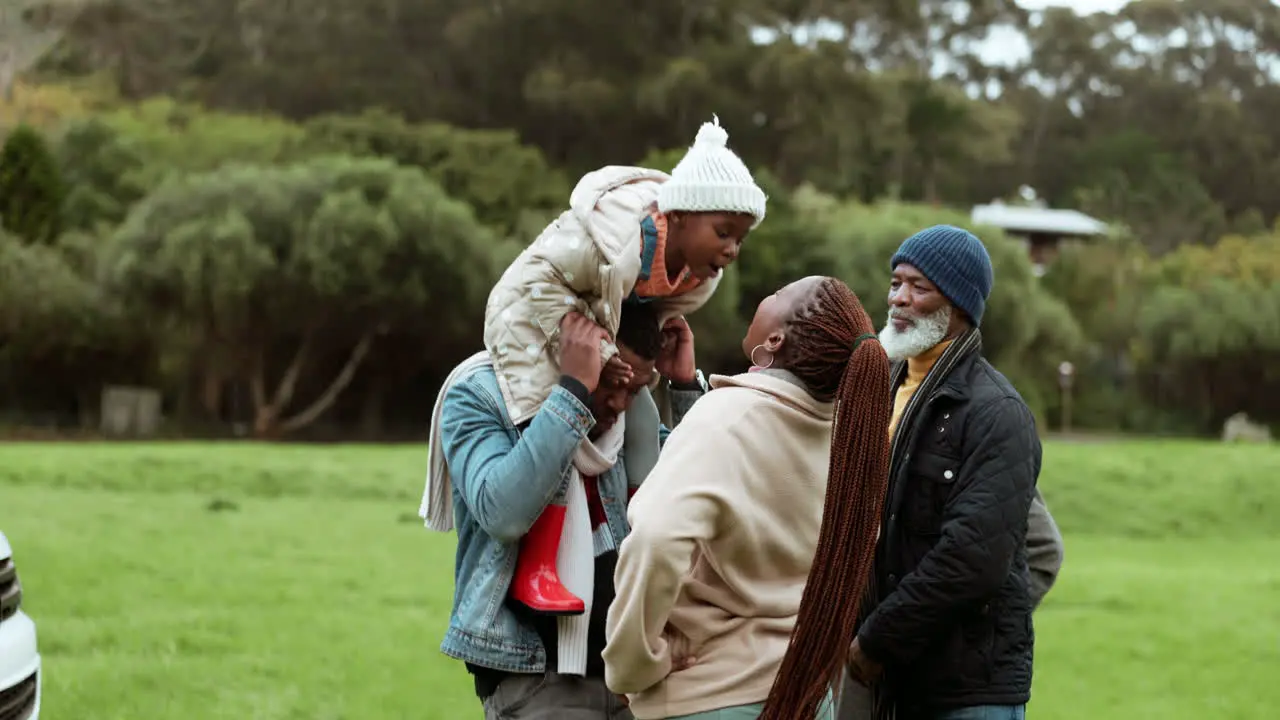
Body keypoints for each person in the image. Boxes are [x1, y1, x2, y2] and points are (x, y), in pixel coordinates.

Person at [482, 114, 767, 618]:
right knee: (557, 423)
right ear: (678, 216)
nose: (731, 249)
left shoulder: (696, 277)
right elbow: (542, 280)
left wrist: (651, 362)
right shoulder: (613, 242)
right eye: (723, 232)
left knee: (639, 428)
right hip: (530, 317)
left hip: (599, 331)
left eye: (739, 239)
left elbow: (640, 312)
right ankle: (538, 566)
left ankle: (638, 541)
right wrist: (591, 360)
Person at [604, 276, 893, 720]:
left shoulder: (726, 417)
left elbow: (656, 540)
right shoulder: (853, 443)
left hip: (712, 695)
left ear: (774, 340)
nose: (768, 295)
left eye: (777, 295)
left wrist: (632, 665)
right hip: (807, 696)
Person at [421, 300, 707, 719]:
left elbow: (695, 490)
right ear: (569, 352)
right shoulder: (481, 393)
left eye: (636, 389)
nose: (621, 404)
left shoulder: (631, 423)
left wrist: (683, 388)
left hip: (636, 675)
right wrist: (573, 391)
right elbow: (503, 512)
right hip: (541, 683)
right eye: (613, 383)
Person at [843, 225, 1055, 720]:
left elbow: (972, 558)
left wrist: (876, 641)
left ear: (958, 304)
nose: (899, 298)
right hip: (892, 683)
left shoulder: (996, 412)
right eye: (896, 282)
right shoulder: (881, 388)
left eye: (919, 287)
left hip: (964, 694)